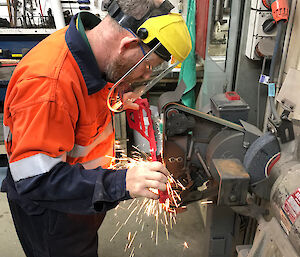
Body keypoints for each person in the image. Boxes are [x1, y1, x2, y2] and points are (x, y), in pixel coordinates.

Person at [1, 0, 191, 256]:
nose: (146, 77)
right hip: (52, 215)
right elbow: (36, 181)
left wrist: (113, 99)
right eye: (148, 67)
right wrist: (123, 182)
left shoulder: (89, 52)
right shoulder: (49, 86)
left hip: (79, 202)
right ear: (128, 45)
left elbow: (80, 99)